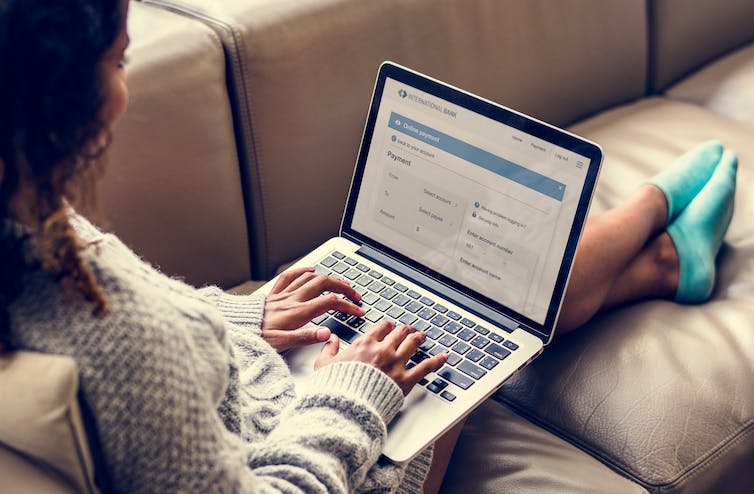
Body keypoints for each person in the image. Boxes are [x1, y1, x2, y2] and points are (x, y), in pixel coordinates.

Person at [0, 0, 737, 493]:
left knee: (459, 297)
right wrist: (358, 388)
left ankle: (664, 263)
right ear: (62, 95)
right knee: (476, 299)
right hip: (348, 453)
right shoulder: (120, 345)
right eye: (121, 61)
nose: (125, 86)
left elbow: (146, 326)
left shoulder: (28, 224)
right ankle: (652, 211)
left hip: (271, 387)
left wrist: (241, 321)